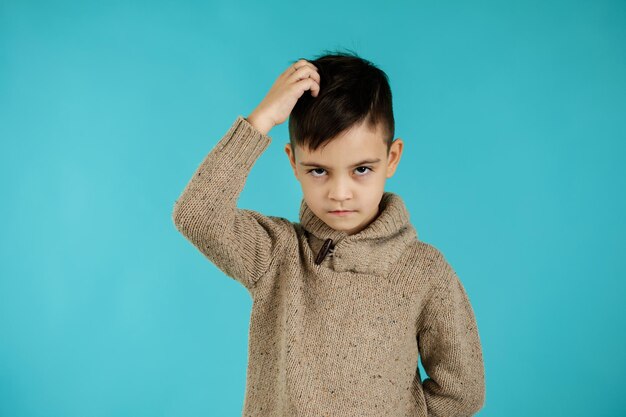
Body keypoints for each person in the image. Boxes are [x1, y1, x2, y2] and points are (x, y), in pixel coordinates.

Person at [172, 49, 486, 416]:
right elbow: (198, 214)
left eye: (362, 169)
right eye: (319, 170)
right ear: (293, 162)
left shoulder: (423, 271)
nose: (340, 192)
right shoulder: (278, 254)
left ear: (393, 158)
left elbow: (461, 391)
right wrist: (262, 120)